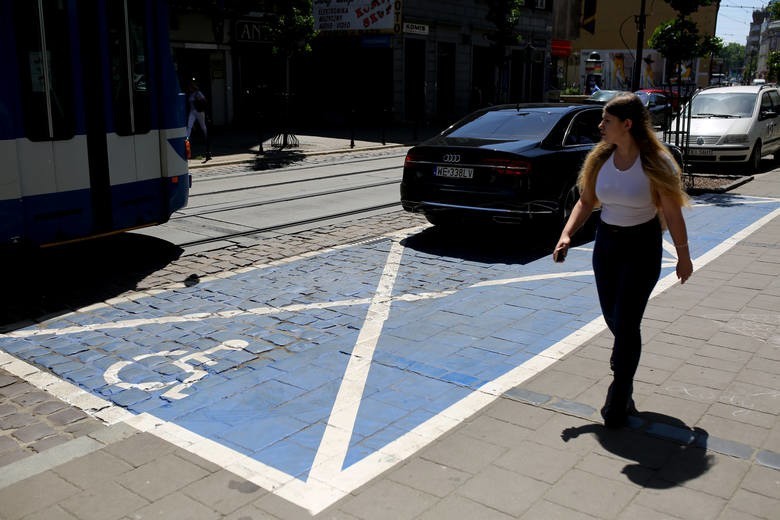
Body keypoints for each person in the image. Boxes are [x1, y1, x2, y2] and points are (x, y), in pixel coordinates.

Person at [553, 92, 693, 429]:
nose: (600, 126)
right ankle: (625, 381)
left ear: (627, 125)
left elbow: (673, 213)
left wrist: (684, 256)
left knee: (628, 322)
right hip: (607, 246)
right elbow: (586, 202)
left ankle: (618, 392)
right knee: (614, 318)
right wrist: (567, 234)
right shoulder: (600, 160)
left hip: (642, 246)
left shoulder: (654, 164)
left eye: (607, 121)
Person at [186, 80, 211, 162]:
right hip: (192, 111)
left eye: (190, 87)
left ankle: (206, 136)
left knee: (203, 126)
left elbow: (204, 101)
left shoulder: (198, 93)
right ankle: (187, 138)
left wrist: (203, 109)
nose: (189, 89)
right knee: (189, 125)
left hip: (199, 112)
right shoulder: (191, 94)